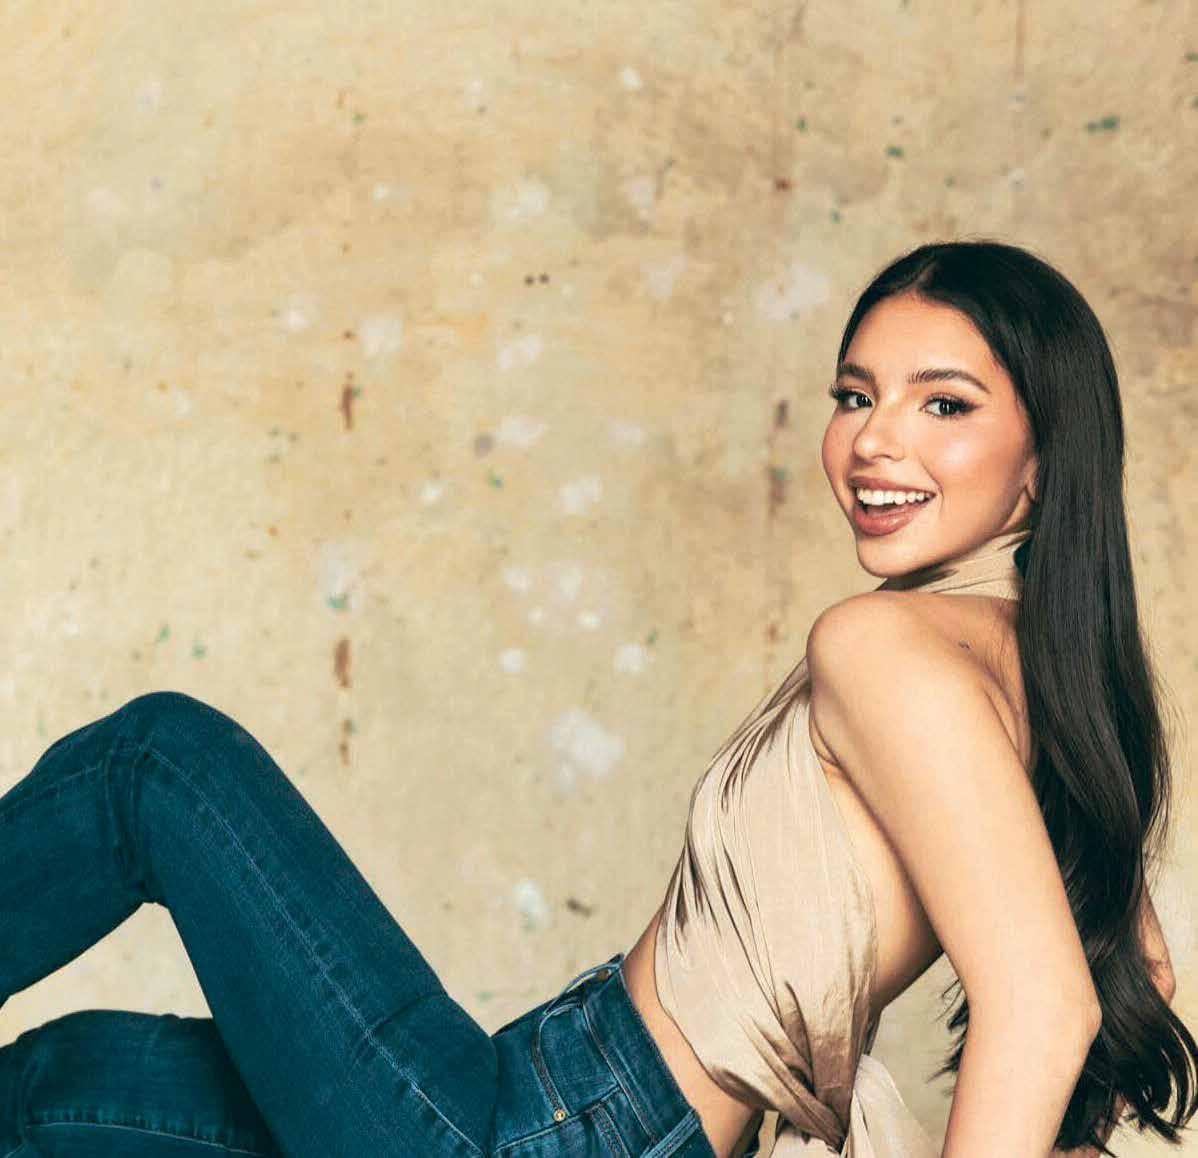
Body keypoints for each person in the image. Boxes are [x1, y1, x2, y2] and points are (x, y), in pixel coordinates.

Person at [1, 239, 1192, 1158]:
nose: (874, 442)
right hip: (554, 1102)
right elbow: (1129, 965)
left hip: (558, 1132)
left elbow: (1044, 1003)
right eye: (852, 396)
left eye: (943, 404)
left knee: (156, 763)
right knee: (60, 1088)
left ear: (1043, 458)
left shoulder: (883, 647)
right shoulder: (1046, 690)